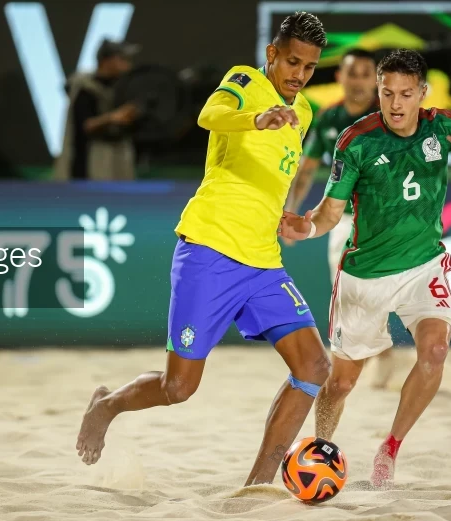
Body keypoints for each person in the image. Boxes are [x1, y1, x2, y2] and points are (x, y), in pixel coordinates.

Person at [76, 12, 332, 487]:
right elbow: (207, 116)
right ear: (273, 54)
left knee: (315, 365)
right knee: (179, 388)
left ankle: (257, 487)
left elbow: (276, 176)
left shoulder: (306, 113)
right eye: (292, 61)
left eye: (309, 67)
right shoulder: (244, 80)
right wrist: (257, 118)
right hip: (210, 250)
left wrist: (284, 216)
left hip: (262, 262)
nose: (299, 74)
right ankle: (107, 406)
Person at [279, 49, 451, 489]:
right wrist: (305, 225)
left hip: (423, 267)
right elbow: (330, 213)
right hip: (365, 276)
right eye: (387, 92)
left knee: (434, 352)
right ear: (378, 90)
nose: (395, 104)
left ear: (422, 94)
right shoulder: (356, 140)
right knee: (341, 383)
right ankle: (321, 449)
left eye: (405, 94)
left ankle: (389, 448)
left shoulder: (444, 125)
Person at [283, 48, 399, 403]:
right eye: (354, 73)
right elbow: (306, 169)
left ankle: (381, 351)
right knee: (346, 287)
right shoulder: (329, 118)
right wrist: (291, 210)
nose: (360, 80)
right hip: (341, 218)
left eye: (367, 74)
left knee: (378, 289)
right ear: (341, 77)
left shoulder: (387, 117)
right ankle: (379, 353)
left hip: (384, 217)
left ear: (375, 80)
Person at [53, 39, 140, 181]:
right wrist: (113, 118)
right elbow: (86, 125)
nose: (128, 64)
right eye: (122, 59)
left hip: (118, 160)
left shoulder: (124, 86)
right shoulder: (85, 86)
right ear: (107, 61)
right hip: (88, 163)